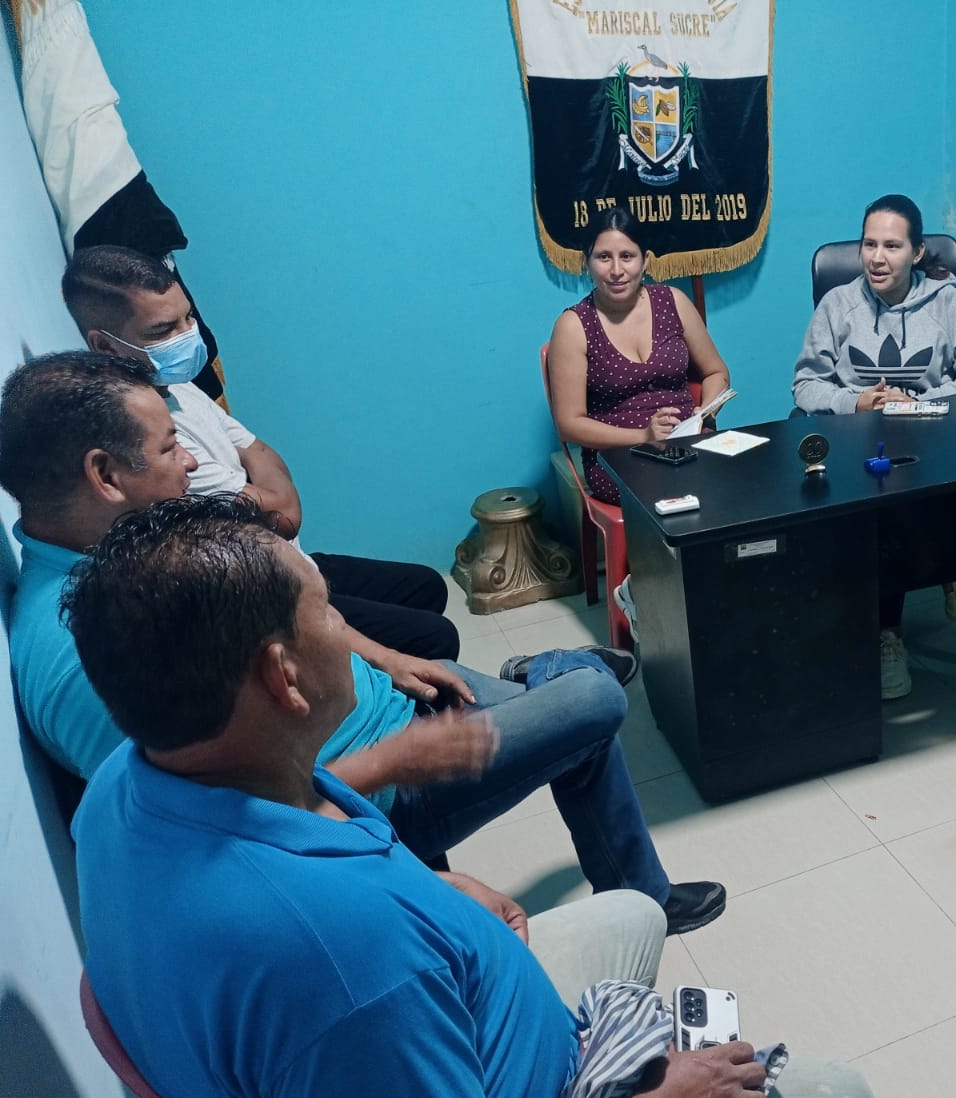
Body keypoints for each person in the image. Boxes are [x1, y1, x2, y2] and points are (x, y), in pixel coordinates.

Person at [67, 497, 883, 1098]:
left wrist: (432, 893)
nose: (345, 627)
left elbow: (302, 842)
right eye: (328, 610)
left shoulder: (124, 785)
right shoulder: (344, 961)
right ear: (282, 677)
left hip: (449, 1019)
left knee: (633, 910)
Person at [0, 353, 725, 933]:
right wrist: (395, 770)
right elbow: (236, 832)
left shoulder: (133, 555)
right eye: (168, 447)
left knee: (576, 728)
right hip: (381, 778)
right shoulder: (85, 651)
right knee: (593, 698)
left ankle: (640, 895)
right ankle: (555, 670)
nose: (190, 461)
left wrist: (386, 657)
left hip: (393, 705)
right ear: (104, 474)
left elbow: (296, 613)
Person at [62, 244, 461, 662]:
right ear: (105, 346)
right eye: (163, 331)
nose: (188, 336)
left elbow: (263, 453)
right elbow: (284, 515)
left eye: (188, 318)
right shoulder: (148, 436)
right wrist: (265, 483)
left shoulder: (176, 384)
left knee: (427, 587)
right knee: (434, 638)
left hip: (292, 559)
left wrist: (263, 482)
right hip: (268, 589)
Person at [792, 193, 956, 699]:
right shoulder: (837, 305)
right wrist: (855, 402)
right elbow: (806, 385)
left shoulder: (947, 303)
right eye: (869, 244)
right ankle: (885, 632)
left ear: (917, 252)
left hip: (932, 432)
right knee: (882, 497)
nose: (877, 257)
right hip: (857, 440)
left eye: (892, 246)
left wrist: (921, 401)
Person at [548, 207, 731, 508]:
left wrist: (704, 412)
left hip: (689, 441)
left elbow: (716, 372)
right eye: (603, 257)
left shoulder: (674, 302)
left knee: (739, 473)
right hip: (619, 456)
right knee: (680, 488)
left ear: (645, 260)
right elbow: (569, 424)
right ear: (587, 263)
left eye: (627, 256)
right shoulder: (574, 326)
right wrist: (643, 435)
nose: (616, 270)